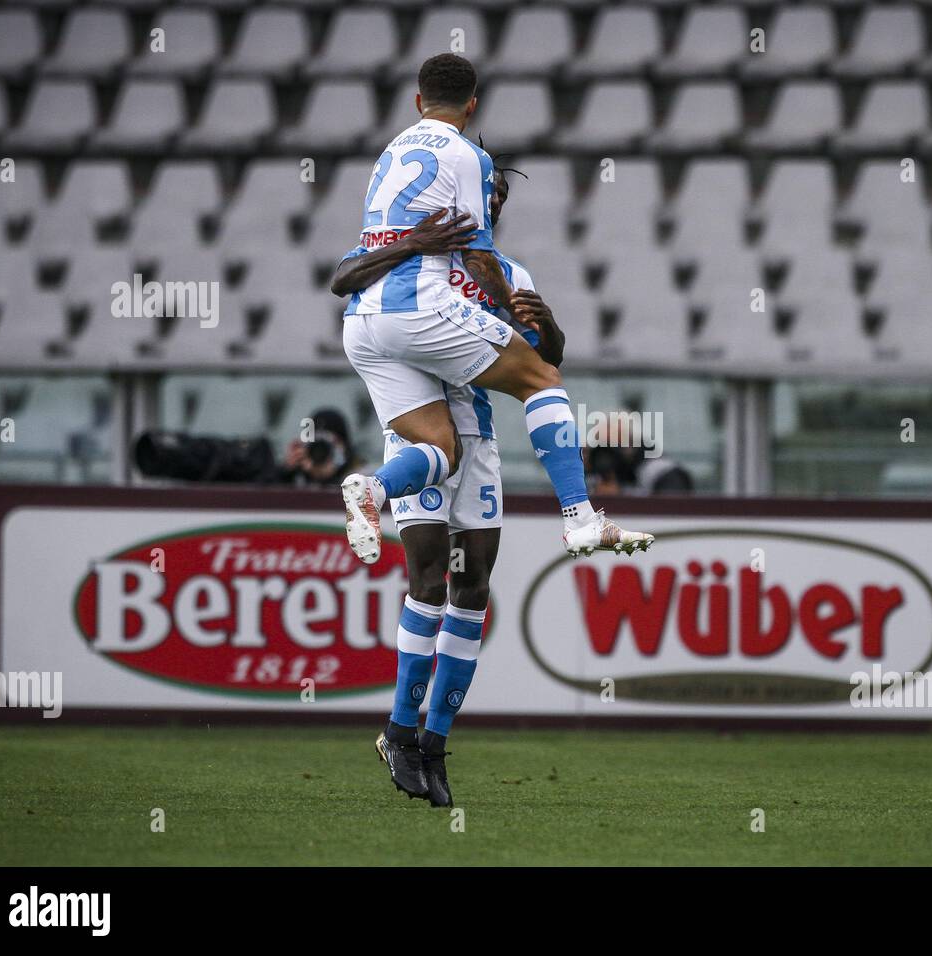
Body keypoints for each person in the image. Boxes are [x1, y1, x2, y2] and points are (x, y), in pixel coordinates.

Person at [336, 53, 654, 570]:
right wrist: (507, 303)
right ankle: (580, 517)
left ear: (418, 101)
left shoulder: (388, 154)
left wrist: (536, 318)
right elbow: (479, 260)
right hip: (417, 308)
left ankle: (373, 488)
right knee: (541, 381)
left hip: (364, 323)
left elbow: (360, 260)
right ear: (473, 105)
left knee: (441, 449)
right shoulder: (467, 158)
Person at [331, 163, 561, 806]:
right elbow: (340, 280)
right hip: (420, 438)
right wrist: (414, 243)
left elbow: (549, 359)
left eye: (497, 200)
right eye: (484, 194)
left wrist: (545, 321)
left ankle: (433, 742)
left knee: (473, 586)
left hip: (480, 443)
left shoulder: (507, 273)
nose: (488, 205)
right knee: (428, 577)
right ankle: (399, 732)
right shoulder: (397, 247)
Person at [276, 408, 357, 487]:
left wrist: (332, 476)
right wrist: (286, 473)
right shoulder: (296, 478)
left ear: (344, 447)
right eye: (315, 444)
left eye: (330, 444)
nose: (320, 452)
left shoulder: (360, 479)